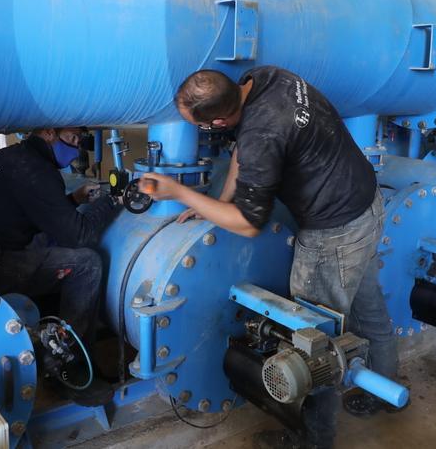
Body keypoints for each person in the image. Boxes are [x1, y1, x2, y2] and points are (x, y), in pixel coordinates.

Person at [141, 67, 399, 448]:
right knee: (368, 308)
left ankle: (315, 441)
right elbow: (242, 154)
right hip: (364, 202)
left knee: (313, 345)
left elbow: (248, 225)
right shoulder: (266, 77)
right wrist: (216, 204)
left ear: (218, 121)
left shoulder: (263, 133)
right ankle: (385, 389)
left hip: (334, 231)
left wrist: (182, 194)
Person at [0, 127, 119, 341]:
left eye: (79, 141)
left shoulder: (13, 156)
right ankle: (71, 354)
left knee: (44, 240)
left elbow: (30, 212)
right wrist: (112, 201)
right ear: (49, 133)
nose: (76, 148)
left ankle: (48, 322)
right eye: (72, 138)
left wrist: (73, 200)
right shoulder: (38, 171)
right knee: (87, 263)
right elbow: (79, 236)